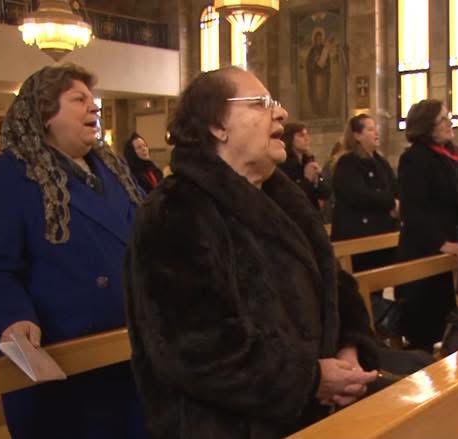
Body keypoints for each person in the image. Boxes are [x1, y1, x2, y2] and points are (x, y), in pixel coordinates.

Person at [123, 66, 378, 438]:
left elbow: (335, 286)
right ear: (218, 126)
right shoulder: (175, 210)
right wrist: (311, 380)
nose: (281, 113)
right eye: (260, 103)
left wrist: (349, 350)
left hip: (313, 415)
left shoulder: (285, 199)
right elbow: (195, 349)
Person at [0, 64, 146, 438]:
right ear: (45, 113)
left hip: (130, 351)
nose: (94, 107)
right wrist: (11, 316)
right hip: (62, 360)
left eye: (93, 100)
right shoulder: (5, 176)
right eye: (78, 99)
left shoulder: (114, 170)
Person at [395, 99, 458, 353]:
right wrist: (442, 243)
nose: (449, 123)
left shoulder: (453, 155)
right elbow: (414, 211)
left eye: (448, 117)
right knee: (425, 330)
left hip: (453, 247)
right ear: (426, 126)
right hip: (425, 250)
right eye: (442, 119)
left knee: (454, 329)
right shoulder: (415, 159)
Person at [330, 114, 399, 272]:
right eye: (370, 129)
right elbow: (359, 195)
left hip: (383, 233)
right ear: (357, 135)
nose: (376, 133)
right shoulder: (347, 163)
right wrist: (391, 203)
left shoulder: (380, 161)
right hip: (358, 236)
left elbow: (395, 187)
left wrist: (397, 202)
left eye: (376, 128)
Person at [278, 122, 331, 209]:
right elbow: (290, 197)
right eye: (301, 135)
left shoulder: (308, 161)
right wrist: (307, 179)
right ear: (290, 139)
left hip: (312, 211)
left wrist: (318, 179)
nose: (307, 139)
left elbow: (325, 193)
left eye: (307, 135)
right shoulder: (283, 164)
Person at [306, 28, 332, 116]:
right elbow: (308, 63)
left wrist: (325, 64)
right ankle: (316, 111)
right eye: (317, 39)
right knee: (316, 94)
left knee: (323, 94)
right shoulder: (312, 51)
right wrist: (314, 61)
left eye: (320, 39)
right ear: (315, 39)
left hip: (324, 76)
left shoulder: (324, 50)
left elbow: (328, 62)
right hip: (315, 77)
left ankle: (324, 111)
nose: (319, 40)